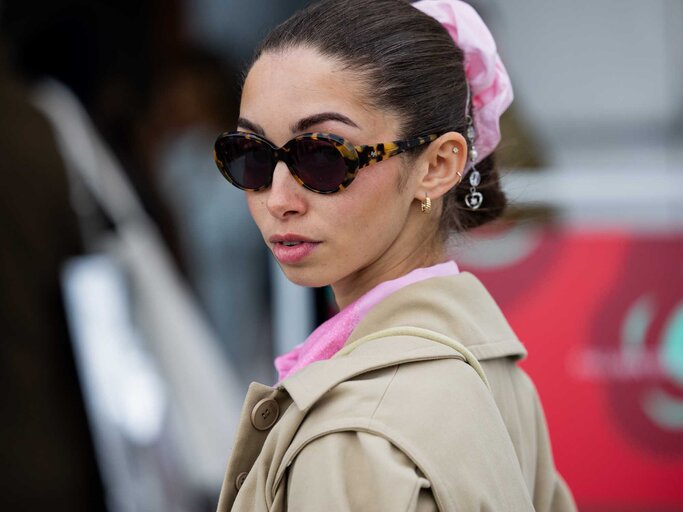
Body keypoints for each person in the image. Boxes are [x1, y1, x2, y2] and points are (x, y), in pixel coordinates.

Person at [212, 0, 577, 510]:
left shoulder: (353, 433)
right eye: (250, 155)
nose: (277, 200)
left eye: (322, 155)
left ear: (437, 166)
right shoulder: (498, 370)